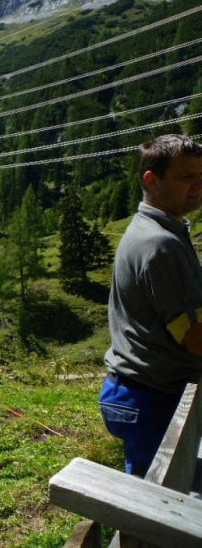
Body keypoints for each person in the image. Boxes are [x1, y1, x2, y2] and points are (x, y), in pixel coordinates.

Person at [99, 134, 202, 477]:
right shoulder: (159, 244)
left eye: (201, 176)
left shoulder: (163, 229)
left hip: (139, 392)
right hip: (150, 398)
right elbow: (194, 337)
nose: (198, 185)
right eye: (187, 177)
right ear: (151, 180)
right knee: (152, 505)